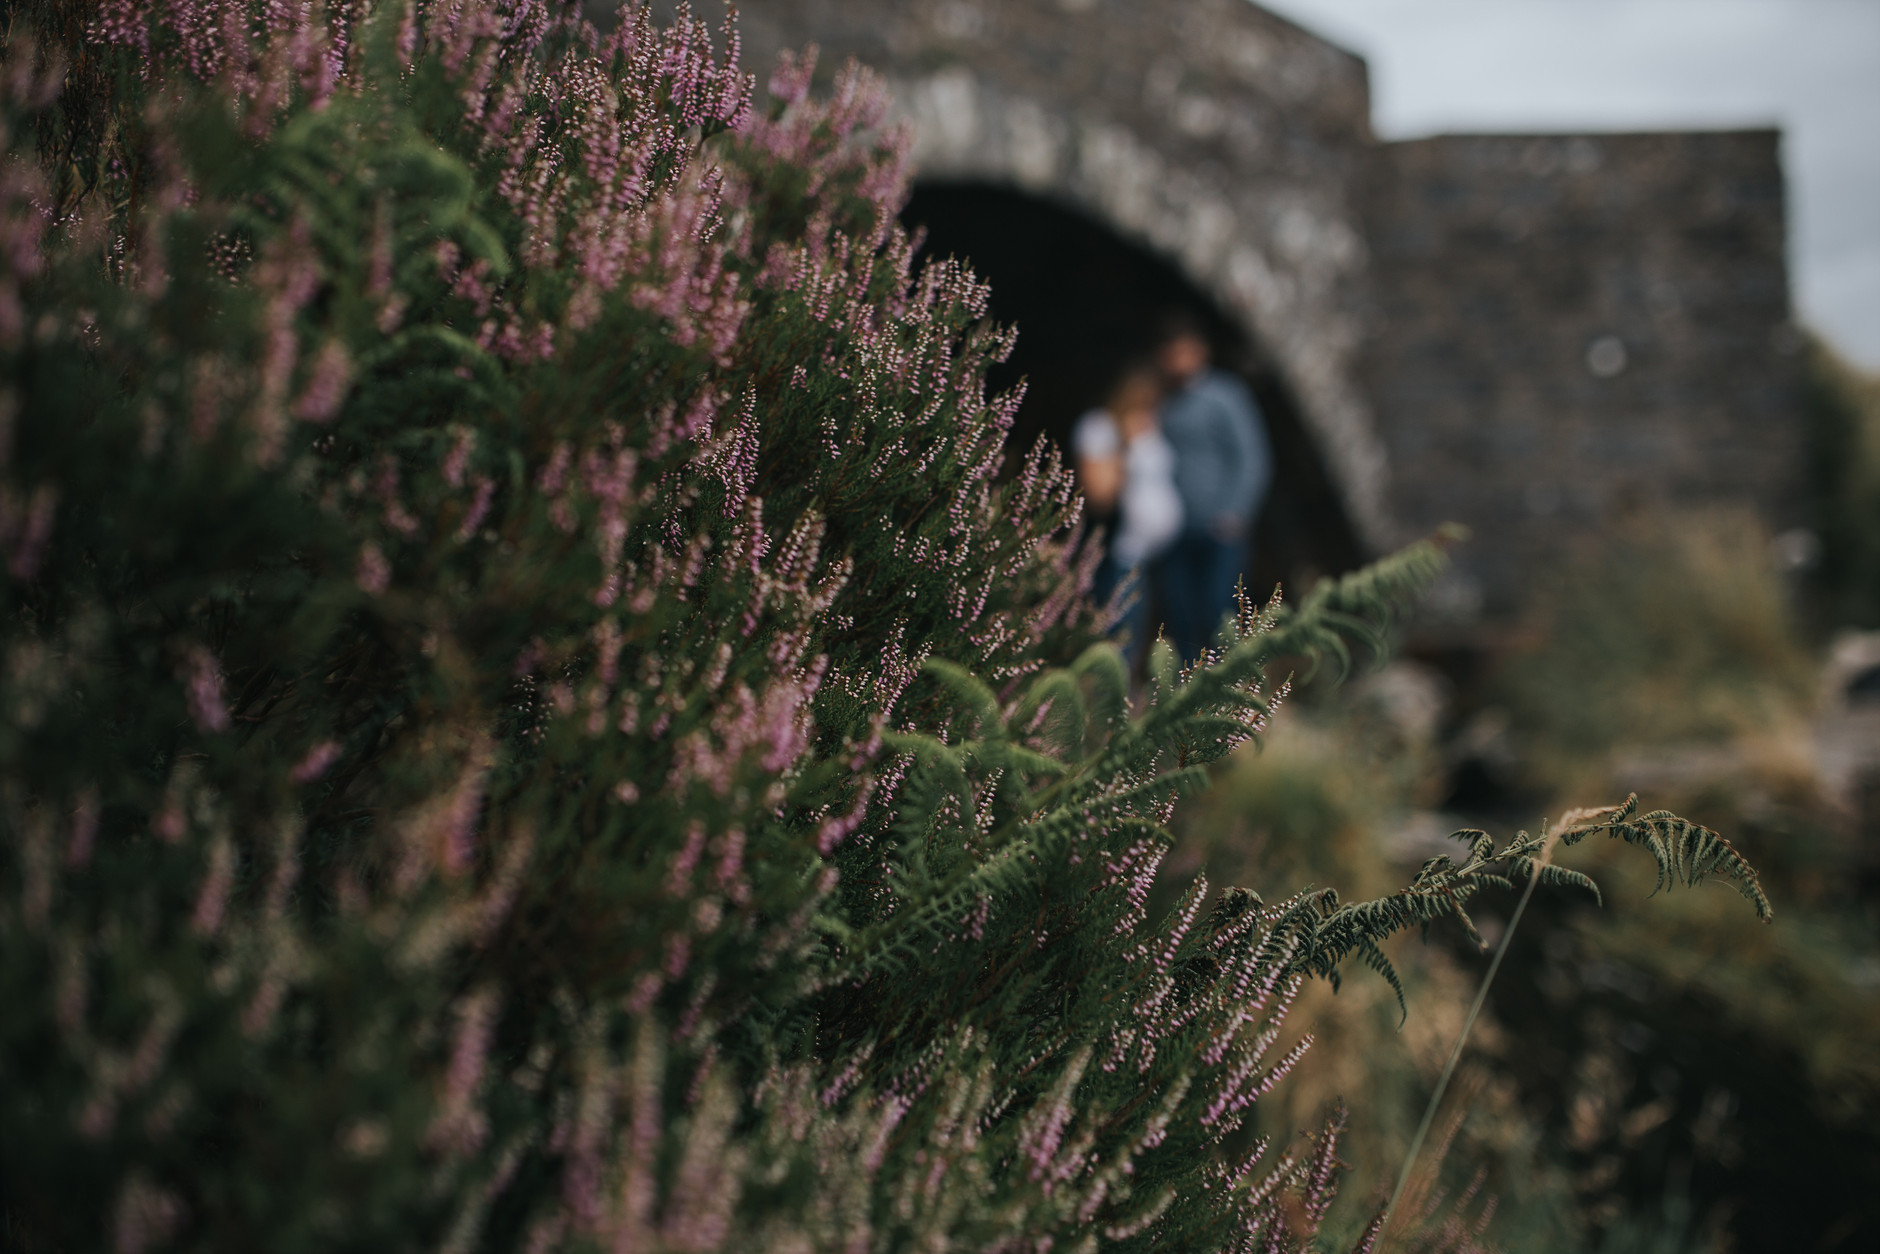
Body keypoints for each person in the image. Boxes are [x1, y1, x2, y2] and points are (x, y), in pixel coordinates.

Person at [1151, 314, 1271, 662]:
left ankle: (1224, 690)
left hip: (1220, 526)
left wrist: (1236, 512)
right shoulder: (1160, 399)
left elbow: (1251, 457)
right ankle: (1186, 691)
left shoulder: (1225, 396)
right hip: (1174, 526)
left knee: (1221, 612)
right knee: (1180, 616)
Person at [1072, 365, 1183, 658]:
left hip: (1145, 556)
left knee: (1132, 637)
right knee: (1110, 637)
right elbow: (1100, 495)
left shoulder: (1153, 429)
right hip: (1113, 553)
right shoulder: (1101, 428)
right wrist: (1127, 444)